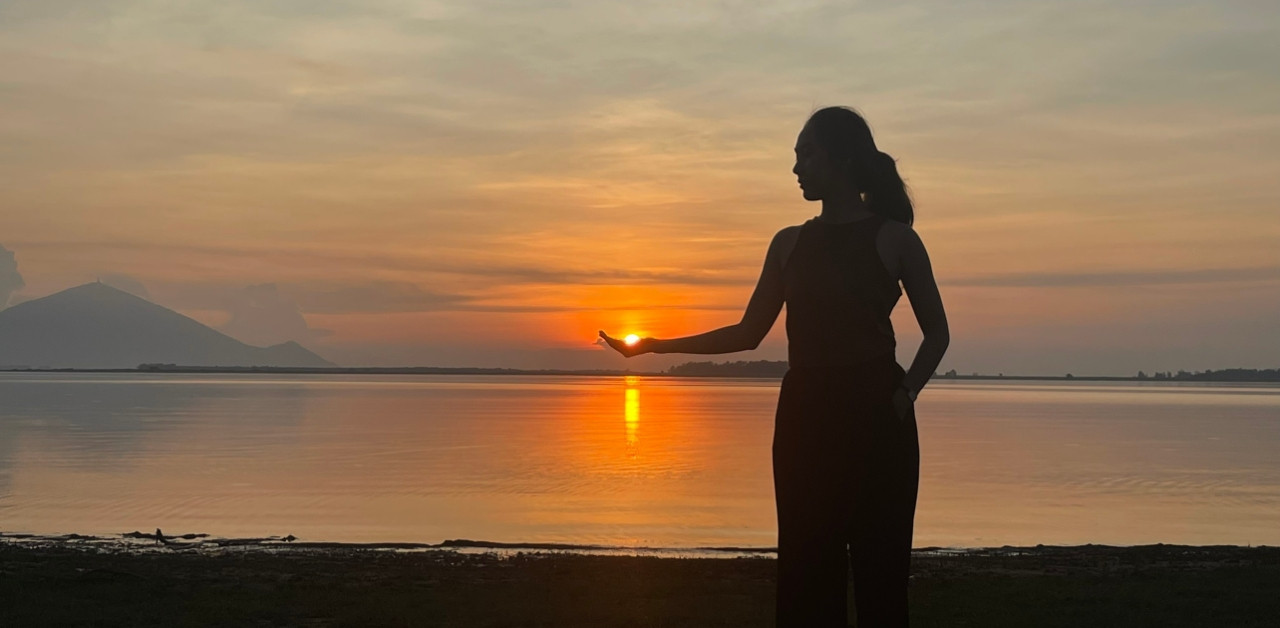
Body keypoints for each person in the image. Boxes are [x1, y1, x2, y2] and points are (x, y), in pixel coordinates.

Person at [600, 105, 950, 627]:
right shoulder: (789, 243)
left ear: (843, 157)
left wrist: (903, 397)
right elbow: (747, 333)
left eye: (806, 153)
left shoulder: (895, 238)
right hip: (805, 419)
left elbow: (937, 335)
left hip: (879, 419)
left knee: (882, 576)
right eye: (796, 156)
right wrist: (652, 344)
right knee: (807, 574)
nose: (796, 168)